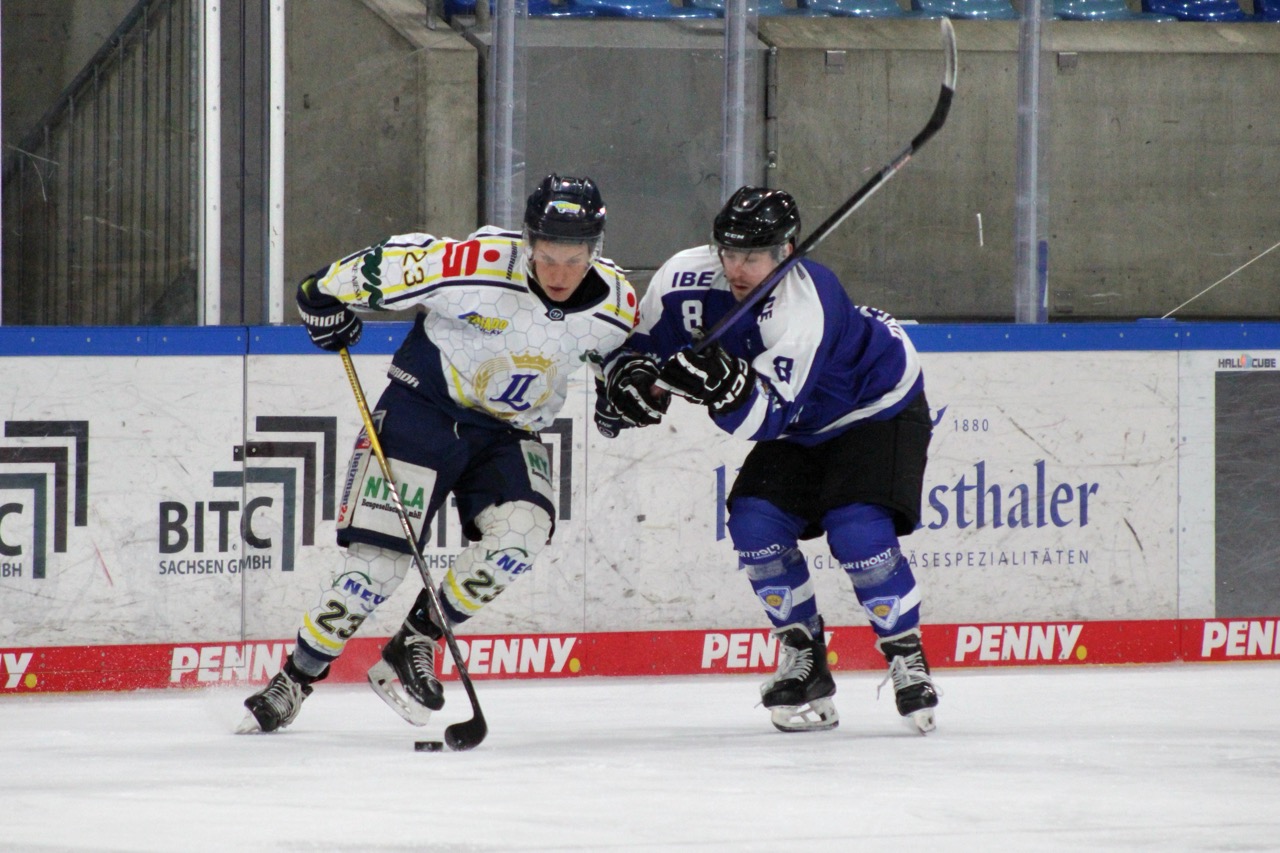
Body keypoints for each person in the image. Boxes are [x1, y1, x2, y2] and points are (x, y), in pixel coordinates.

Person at [238, 175, 638, 734]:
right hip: (420, 414)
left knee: (522, 532)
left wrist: (625, 388)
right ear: (528, 240)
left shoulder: (617, 300)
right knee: (377, 568)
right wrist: (321, 297)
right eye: (547, 256)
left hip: (507, 434)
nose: (559, 273)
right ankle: (295, 678)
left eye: (574, 260)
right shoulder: (476, 264)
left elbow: (617, 355)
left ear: (595, 249)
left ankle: (415, 641)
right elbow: (374, 269)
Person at [599, 186, 939, 734]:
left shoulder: (806, 304)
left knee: (856, 528)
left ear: (786, 251)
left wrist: (722, 387)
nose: (736, 268)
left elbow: (766, 421)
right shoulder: (685, 276)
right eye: (730, 252)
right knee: (755, 522)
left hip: (874, 406)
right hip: (803, 422)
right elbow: (638, 345)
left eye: (753, 256)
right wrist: (628, 380)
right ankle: (805, 658)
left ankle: (905, 653)